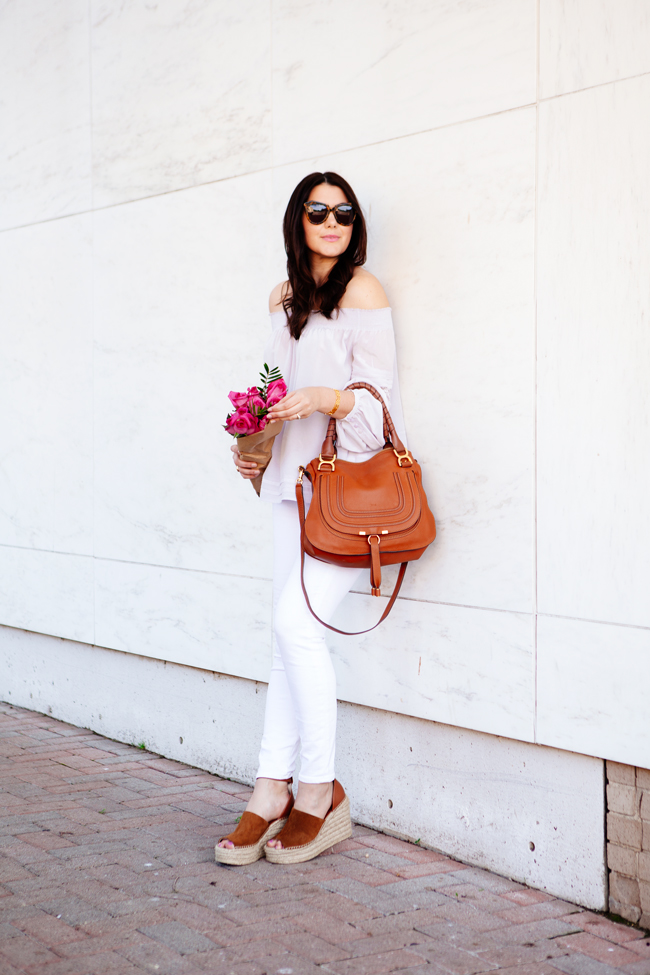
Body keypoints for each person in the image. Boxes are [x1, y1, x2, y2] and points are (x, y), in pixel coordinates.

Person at [215, 171, 406, 865]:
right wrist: (253, 445)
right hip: (286, 488)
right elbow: (270, 387)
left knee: (297, 626)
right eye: (318, 211)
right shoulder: (282, 297)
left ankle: (319, 791)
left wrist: (328, 397)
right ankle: (270, 790)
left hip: (343, 493)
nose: (333, 222)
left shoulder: (363, 290)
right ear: (299, 220)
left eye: (345, 212)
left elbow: (380, 401)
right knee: (281, 638)